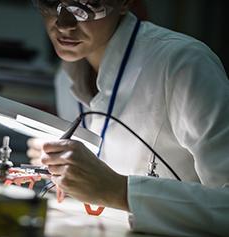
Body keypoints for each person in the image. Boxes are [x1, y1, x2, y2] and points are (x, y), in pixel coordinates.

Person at [28, 0, 229, 236]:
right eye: (50, 3)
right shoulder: (65, 77)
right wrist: (66, 170)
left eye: (85, 4)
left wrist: (119, 191)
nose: (63, 25)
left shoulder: (183, 64)